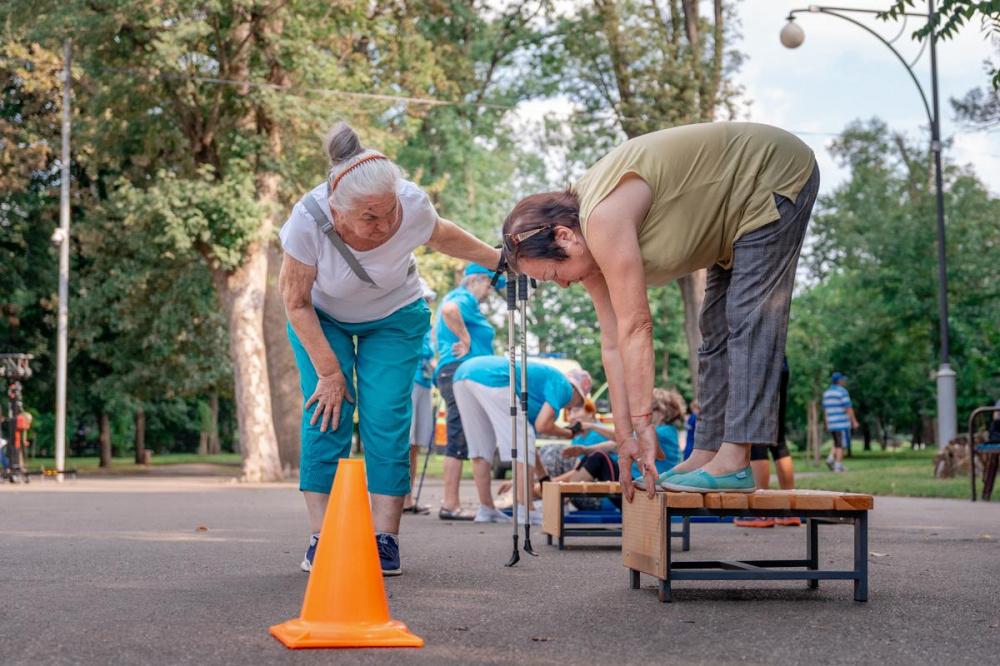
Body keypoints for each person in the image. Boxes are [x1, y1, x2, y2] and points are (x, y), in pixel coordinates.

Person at [502, 122, 819, 497]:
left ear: (564, 236)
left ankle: (736, 459)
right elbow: (614, 344)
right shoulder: (586, 252)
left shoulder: (601, 219)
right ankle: (707, 452)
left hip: (769, 173)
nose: (564, 284)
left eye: (555, 274)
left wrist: (644, 424)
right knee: (714, 331)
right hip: (728, 217)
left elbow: (637, 328)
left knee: (748, 318)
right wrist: (624, 438)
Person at [278, 121, 498, 576]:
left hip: (396, 316)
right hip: (321, 317)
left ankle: (385, 539)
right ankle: (323, 536)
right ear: (337, 213)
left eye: (388, 211)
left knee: (386, 418)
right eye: (369, 217)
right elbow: (295, 303)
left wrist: (498, 260)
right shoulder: (307, 221)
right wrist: (330, 373)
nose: (384, 225)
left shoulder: (412, 203)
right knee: (327, 411)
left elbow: (444, 235)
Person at [451, 356, 589, 524]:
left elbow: (529, 444)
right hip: (493, 377)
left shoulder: (537, 395)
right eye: (579, 402)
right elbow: (542, 426)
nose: (574, 407)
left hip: (463, 374)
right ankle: (526, 510)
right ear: (577, 391)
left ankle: (487, 509)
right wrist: (568, 433)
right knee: (521, 439)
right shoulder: (564, 386)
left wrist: (544, 477)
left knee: (481, 446)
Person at [434, 264, 505, 521]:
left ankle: (461, 503)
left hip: (458, 372)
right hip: (460, 372)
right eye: (488, 285)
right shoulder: (462, 297)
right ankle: (450, 504)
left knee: (466, 435)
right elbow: (448, 311)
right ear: (478, 280)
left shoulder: (466, 300)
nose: (489, 292)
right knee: (459, 436)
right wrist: (465, 338)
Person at [735, 357, 799, 527]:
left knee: (756, 435)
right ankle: (790, 511)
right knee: (778, 436)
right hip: (780, 361)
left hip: (756, 361)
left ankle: (761, 511)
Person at [403, 282, 437, 514]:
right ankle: (399, 497)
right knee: (405, 442)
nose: (427, 305)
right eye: (423, 300)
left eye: (428, 301)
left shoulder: (426, 326)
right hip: (410, 382)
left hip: (424, 383)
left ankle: (409, 498)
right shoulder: (406, 320)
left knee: (415, 444)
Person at [823, 371, 859, 473]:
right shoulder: (842, 392)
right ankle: (838, 466)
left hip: (831, 423)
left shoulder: (827, 393)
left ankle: (831, 458)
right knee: (840, 445)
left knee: (836, 442)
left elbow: (825, 410)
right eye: (843, 380)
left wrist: (826, 423)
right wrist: (854, 421)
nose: (844, 381)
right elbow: (848, 408)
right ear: (839, 381)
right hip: (841, 423)